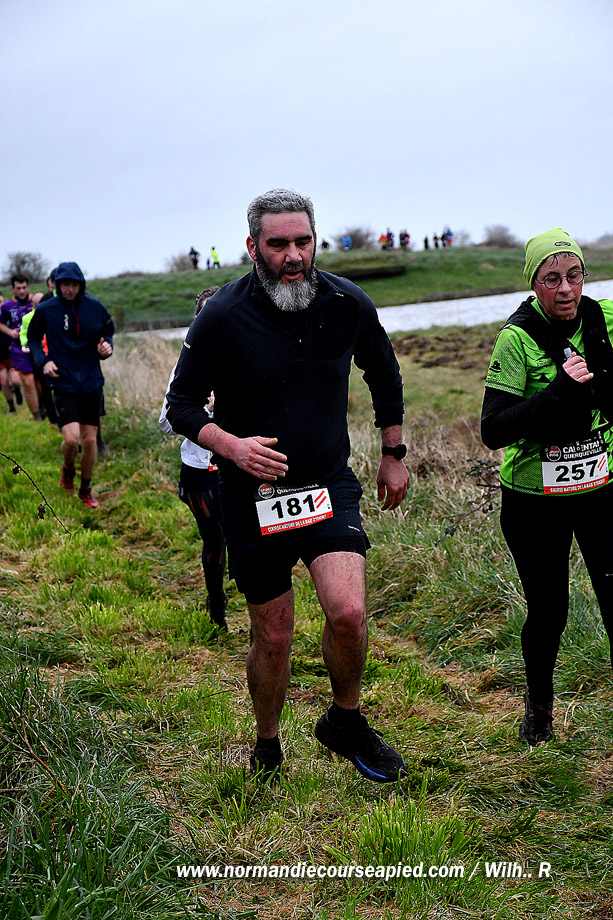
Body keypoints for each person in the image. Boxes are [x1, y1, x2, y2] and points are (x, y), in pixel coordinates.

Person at [166, 188, 410, 783]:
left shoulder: (347, 302)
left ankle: (345, 720)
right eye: (278, 244)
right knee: (273, 636)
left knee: (348, 612)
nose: (294, 255)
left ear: (315, 240)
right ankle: (268, 744)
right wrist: (231, 446)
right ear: (253, 247)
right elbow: (181, 404)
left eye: (303, 241)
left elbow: (384, 373)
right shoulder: (222, 314)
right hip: (251, 498)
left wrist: (393, 454)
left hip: (326, 483)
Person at [481, 228, 613, 747]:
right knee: (550, 611)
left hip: (601, 491)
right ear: (533, 284)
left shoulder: (605, 319)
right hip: (535, 500)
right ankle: (538, 710)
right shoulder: (517, 339)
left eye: (574, 275)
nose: (566, 289)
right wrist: (558, 391)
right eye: (551, 278)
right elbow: (494, 430)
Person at [159, 285, 228, 630]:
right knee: (215, 540)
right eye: (205, 313)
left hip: (242, 469)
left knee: (249, 541)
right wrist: (202, 410)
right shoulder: (186, 367)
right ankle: (216, 603)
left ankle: (262, 620)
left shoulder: (249, 358)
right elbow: (165, 423)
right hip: (200, 472)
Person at [27, 261, 114, 509]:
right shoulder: (46, 309)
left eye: (74, 284)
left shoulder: (94, 307)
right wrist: (43, 361)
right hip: (62, 380)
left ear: (80, 284)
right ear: (57, 285)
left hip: (91, 380)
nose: (69, 289)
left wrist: (107, 347)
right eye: (65, 284)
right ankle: (68, 468)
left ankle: (85, 489)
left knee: (90, 441)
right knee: (72, 439)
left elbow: (108, 330)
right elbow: (33, 337)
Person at [0, 275, 41, 420]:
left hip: (37, 345)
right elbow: (1, 324)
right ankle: (37, 416)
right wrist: (10, 332)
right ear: (13, 289)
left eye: (24, 287)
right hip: (19, 347)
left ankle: (44, 407)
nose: (22, 291)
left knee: (39, 382)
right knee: (28, 382)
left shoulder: (35, 301)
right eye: (18, 288)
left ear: (28, 287)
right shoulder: (7, 306)